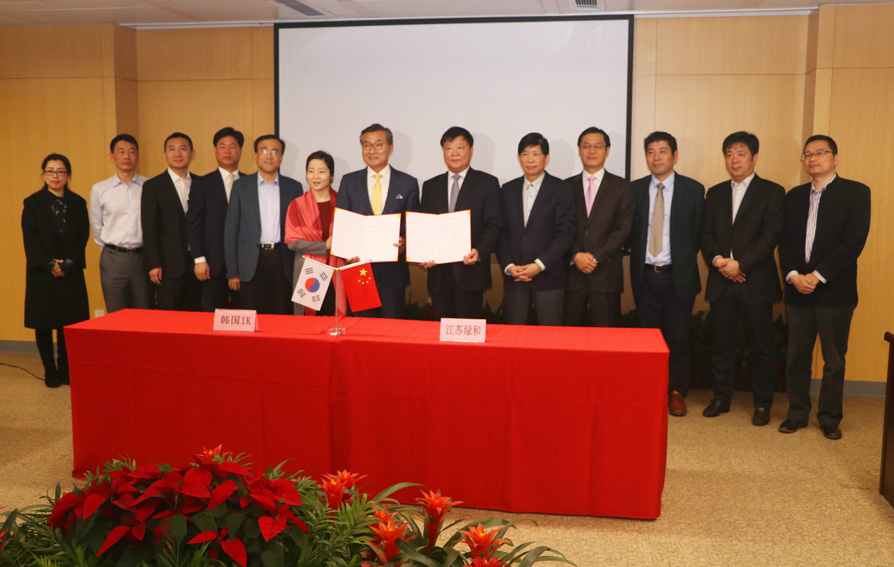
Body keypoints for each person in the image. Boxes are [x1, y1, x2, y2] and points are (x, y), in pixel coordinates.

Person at [777, 135, 871, 440]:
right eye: (807, 154)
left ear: (835, 158)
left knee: (833, 361)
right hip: (797, 290)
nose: (812, 158)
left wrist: (817, 276)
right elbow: (784, 241)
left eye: (820, 152)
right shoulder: (794, 196)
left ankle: (830, 417)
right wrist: (794, 275)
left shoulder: (856, 193)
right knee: (797, 358)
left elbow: (853, 242)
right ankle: (797, 413)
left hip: (835, 291)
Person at [701, 131, 784, 426]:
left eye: (741, 154)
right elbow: (706, 234)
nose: (734, 160)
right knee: (721, 345)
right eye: (729, 154)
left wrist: (741, 264)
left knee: (762, 347)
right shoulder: (715, 193)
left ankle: (762, 404)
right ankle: (721, 397)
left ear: (754, 158)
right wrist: (719, 261)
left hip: (756, 281)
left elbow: (770, 236)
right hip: (722, 279)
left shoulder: (772, 192)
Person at [629, 132, 705, 416]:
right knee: (648, 339)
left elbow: (698, 234)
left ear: (675, 155)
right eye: (650, 151)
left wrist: (681, 260)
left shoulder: (693, 190)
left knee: (678, 338)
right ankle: (651, 389)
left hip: (678, 275)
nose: (656, 157)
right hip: (645, 275)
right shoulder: (635, 189)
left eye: (662, 151)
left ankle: (676, 391)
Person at [335, 123, 419, 319]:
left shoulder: (408, 183)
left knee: (391, 328)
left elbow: (412, 225)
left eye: (378, 145)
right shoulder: (349, 182)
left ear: (390, 148)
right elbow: (342, 223)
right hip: (359, 269)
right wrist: (346, 250)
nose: (372, 150)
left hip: (392, 272)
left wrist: (405, 241)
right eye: (366, 145)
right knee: (361, 328)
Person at [419, 126, 501, 320]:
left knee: (467, 331)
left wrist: (479, 250)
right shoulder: (430, 186)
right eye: (448, 148)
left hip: (471, 273)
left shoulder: (487, 183)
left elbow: (494, 224)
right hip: (438, 274)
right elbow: (424, 225)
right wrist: (424, 252)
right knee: (442, 331)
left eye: (460, 147)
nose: (454, 153)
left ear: (471, 150)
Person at [22, 154, 90, 388]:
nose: (55, 176)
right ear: (44, 174)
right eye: (50, 171)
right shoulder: (32, 203)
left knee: (67, 324)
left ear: (67, 175)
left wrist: (68, 263)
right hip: (42, 273)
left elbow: (82, 236)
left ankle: (65, 368)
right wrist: (50, 264)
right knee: (43, 324)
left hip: (70, 272)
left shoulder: (78, 203)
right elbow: (31, 239)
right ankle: (50, 370)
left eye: (60, 171)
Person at [497, 132, 574, 326]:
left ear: (546, 158)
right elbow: (500, 232)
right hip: (515, 278)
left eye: (536, 154)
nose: (530, 160)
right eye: (525, 154)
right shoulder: (507, 190)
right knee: (514, 338)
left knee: (549, 338)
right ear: (519, 158)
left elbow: (564, 234)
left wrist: (538, 265)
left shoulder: (561, 189)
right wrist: (509, 266)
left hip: (549, 278)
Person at [224, 134, 303, 315]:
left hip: (282, 260)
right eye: (264, 150)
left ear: (281, 157)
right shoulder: (241, 186)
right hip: (251, 262)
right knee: (252, 316)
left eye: (275, 151)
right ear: (256, 155)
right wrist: (233, 271)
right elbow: (231, 230)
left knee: (281, 315)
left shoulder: (294, 187)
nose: (269, 156)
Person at [564, 126, 634, 327]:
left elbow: (623, 229)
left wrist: (594, 257)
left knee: (606, 337)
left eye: (597, 146)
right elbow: (561, 228)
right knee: (569, 336)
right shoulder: (565, 186)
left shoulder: (622, 187)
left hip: (605, 275)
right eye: (586, 146)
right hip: (571, 275)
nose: (591, 150)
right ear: (579, 150)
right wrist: (576, 255)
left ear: (607, 150)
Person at [89, 134, 151, 313]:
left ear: (137, 156)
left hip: (143, 258)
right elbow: (96, 226)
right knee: (116, 314)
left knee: (144, 313)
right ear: (112, 156)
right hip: (113, 259)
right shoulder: (100, 189)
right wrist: (111, 251)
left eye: (131, 152)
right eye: (121, 152)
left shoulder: (149, 186)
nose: (126, 156)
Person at [141, 132, 202, 311]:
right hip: (167, 266)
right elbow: (149, 228)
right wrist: (154, 264)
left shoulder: (201, 183)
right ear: (165, 154)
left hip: (197, 265)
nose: (177, 153)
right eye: (172, 149)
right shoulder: (153, 186)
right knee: (169, 317)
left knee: (195, 316)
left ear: (192, 154)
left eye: (183, 149)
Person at [188, 127, 246, 311]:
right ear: (215, 150)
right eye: (222, 146)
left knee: (244, 316)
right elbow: (194, 224)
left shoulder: (250, 183)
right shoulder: (202, 184)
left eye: (232, 146)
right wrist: (199, 259)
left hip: (244, 265)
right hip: (212, 264)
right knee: (212, 316)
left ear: (240, 150)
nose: (227, 151)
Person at [284, 150, 346, 316]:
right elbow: (292, 242)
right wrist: (324, 246)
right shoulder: (297, 205)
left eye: (322, 171)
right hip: (308, 271)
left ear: (331, 176)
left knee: (335, 321)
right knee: (309, 323)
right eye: (311, 171)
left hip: (337, 270)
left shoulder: (343, 203)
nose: (316, 176)